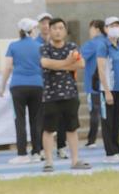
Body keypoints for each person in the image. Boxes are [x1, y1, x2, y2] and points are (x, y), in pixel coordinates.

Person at [38, 19, 91, 172]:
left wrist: (60, 64)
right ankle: (48, 161)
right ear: (49, 30)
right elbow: (45, 63)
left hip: (70, 93)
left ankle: (75, 160)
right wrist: (67, 62)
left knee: (72, 128)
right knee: (48, 129)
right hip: (50, 95)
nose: (58, 31)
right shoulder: (44, 48)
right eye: (54, 28)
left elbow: (81, 64)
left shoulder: (72, 47)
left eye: (61, 28)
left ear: (65, 31)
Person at [0, 18, 43, 164]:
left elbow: (8, 67)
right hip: (37, 85)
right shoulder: (39, 45)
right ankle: (37, 152)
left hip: (18, 86)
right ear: (31, 30)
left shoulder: (13, 46)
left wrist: (2, 86)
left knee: (20, 120)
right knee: (36, 119)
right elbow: (44, 65)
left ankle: (22, 153)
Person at [97, 16, 119, 163]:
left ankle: (117, 150)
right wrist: (107, 91)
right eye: (112, 25)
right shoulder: (103, 45)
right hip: (108, 90)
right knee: (108, 122)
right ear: (105, 29)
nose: (115, 28)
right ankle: (109, 153)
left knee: (117, 121)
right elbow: (101, 69)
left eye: (118, 25)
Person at [36, 11, 67, 158]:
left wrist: (59, 65)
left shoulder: (62, 44)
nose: (46, 26)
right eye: (43, 23)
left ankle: (61, 146)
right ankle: (43, 149)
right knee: (45, 119)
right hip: (44, 86)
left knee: (62, 118)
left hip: (62, 86)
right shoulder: (36, 43)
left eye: (48, 23)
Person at [81, 19, 106, 148]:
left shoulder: (91, 44)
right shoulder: (107, 42)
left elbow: (79, 60)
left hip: (93, 84)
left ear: (96, 29)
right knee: (106, 113)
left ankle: (92, 140)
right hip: (108, 84)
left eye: (90, 29)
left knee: (94, 112)